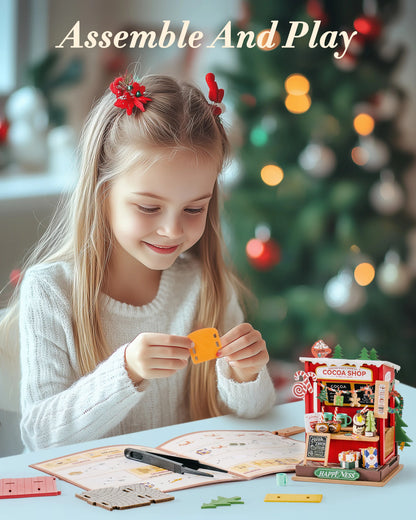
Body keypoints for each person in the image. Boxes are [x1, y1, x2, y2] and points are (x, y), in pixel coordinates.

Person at [1, 72, 276, 451]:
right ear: (102, 192)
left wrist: (245, 375)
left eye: (194, 208)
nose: (171, 230)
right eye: (149, 207)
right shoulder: (51, 290)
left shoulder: (203, 284)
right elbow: (39, 436)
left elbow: (256, 413)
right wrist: (126, 370)